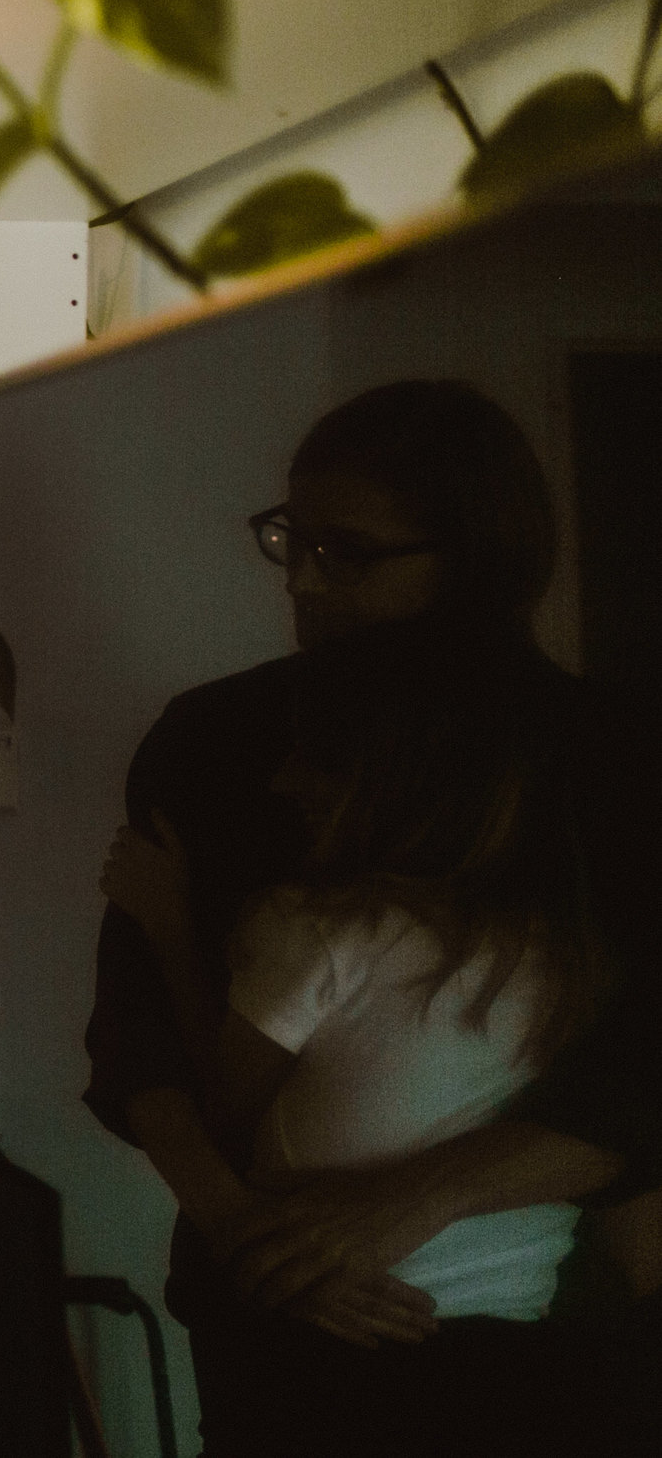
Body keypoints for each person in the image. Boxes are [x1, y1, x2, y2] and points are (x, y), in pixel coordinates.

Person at [81, 380, 659, 1452]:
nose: (301, 581)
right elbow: (136, 1035)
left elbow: (643, 1064)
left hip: (537, 1314)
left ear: (474, 558)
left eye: (345, 552)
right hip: (269, 1318)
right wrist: (249, 1233)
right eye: (289, 538)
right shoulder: (216, 738)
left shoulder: (607, 756)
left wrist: (420, 1196)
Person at [103, 622, 618, 1453]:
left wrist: (167, 927)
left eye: (318, 758)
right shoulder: (562, 949)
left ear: (392, 784)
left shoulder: (312, 930)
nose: (283, 779)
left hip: (329, 1347)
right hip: (510, 1346)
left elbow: (225, 1118)